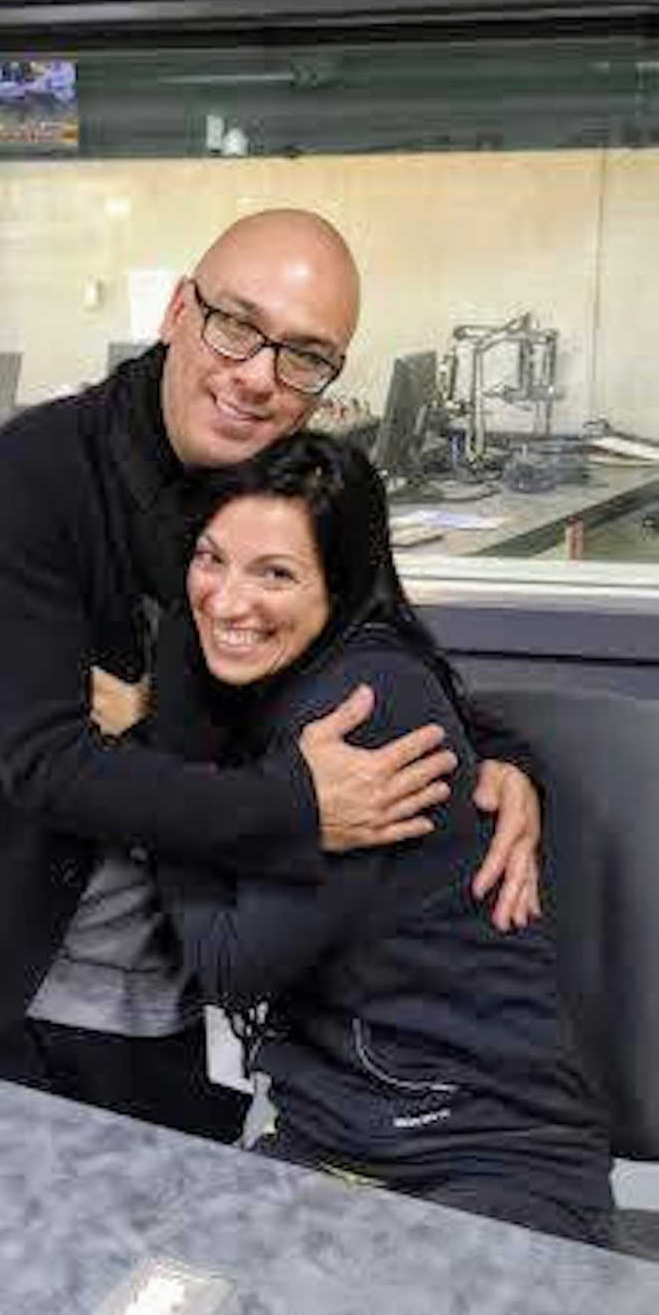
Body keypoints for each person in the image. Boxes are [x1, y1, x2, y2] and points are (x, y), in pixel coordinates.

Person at [0, 209, 540, 1139]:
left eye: (305, 356)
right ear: (181, 309)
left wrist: (494, 763)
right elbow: (51, 765)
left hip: (165, 1016)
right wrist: (298, 809)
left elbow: (370, 630)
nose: (258, 376)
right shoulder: (29, 474)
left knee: (148, 1280)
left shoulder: (272, 486)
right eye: (236, 325)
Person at [154, 431, 613, 1244]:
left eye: (276, 573)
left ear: (341, 585)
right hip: (334, 1137)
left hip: (480, 1159)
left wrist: (159, 792)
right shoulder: (294, 679)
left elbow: (229, 963)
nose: (227, 600)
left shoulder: (364, 715)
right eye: (212, 557)